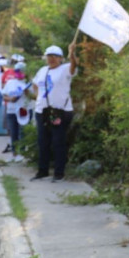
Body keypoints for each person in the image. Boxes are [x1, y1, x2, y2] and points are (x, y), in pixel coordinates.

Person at [31, 43, 78, 181]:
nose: (51, 59)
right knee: (43, 141)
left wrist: (72, 53)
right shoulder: (42, 70)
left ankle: (59, 173)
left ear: (61, 58)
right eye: (49, 56)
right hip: (42, 111)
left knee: (58, 141)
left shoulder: (64, 69)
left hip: (60, 111)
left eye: (55, 56)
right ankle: (42, 171)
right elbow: (35, 84)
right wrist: (39, 97)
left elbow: (73, 66)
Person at [2, 61, 30, 162]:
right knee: (13, 133)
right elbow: (4, 96)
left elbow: (33, 97)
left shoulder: (27, 83)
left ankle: (22, 154)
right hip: (11, 111)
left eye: (21, 71)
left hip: (23, 111)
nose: (19, 73)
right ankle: (14, 154)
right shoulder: (10, 82)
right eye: (17, 71)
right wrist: (11, 99)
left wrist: (27, 92)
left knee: (22, 133)